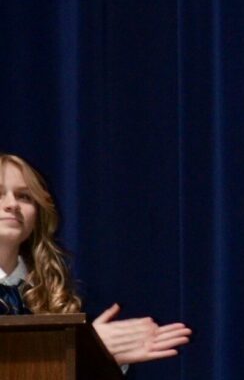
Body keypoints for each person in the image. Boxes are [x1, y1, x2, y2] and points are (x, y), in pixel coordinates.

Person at [0, 153, 191, 364]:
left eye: (24, 196)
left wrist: (98, 361)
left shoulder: (51, 294)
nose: (12, 204)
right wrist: (78, 346)